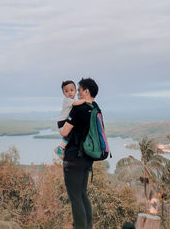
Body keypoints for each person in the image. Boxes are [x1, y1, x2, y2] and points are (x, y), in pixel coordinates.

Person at [60, 78, 99, 229]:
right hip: (87, 159)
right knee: (83, 194)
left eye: (80, 90)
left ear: (86, 91)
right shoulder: (96, 108)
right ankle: (88, 226)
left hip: (74, 159)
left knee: (75, 197)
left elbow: (64, 131)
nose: (77, 93)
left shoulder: (78, 109)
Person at [54, 80, 86, 159]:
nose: (69, 93)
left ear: (75, 91)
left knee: (72, 132)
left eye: (72, 90)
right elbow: (76, 104)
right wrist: (85, 100)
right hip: (63, 121)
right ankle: (60, 149)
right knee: (69, 133)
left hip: (65, 120)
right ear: (63, 93)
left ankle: (64, 148)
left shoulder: (72, 100)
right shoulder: (67, 100)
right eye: (66, 91)